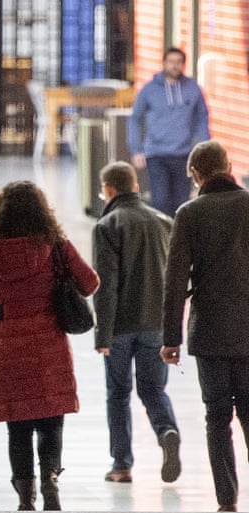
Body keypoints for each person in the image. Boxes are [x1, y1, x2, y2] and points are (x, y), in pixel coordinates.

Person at [0, 181, 99, 511]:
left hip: (7, 345)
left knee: (18, 425)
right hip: (48, 342)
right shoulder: (55, 245)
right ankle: (50, 480)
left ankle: (25, 495)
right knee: (51, 419)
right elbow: (90, 283)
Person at [161, 140, 249, 513]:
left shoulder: (189, 213)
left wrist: (170, 339)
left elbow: (175, 280)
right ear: (228, 167)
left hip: (209, 332)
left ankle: (226, 499)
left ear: (196, 174)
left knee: (217, 416)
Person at [92, 161, 180, 485]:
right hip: (156, 324)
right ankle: (167, 431)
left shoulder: (107, 225)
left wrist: (102, 334)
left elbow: (106, 285)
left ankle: (121, 465)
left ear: (109, 190)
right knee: (154, 389)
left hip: (120, 327)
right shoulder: (164, 222)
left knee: (118, 394)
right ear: (136, 187)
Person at [128, 47, 210, 216]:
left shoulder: (193, 88)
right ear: (164, 63)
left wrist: (205, 149)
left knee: (182, 204)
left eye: (179, 62)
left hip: (184, 155)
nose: (175, 65)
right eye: (171, 62)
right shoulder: (149, 89)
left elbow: (202, 119)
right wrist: (136, 149)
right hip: (156, 154)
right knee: (160, 202)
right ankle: (163, 232)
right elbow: (135, 118)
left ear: (183, 64)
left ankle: (178, 233)